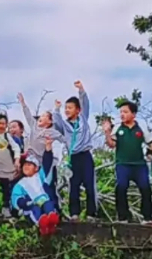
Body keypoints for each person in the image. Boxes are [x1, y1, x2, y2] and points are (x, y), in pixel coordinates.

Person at [103, 101, 152, 224]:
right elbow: (112, 144)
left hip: (139, 165)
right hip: (123, 164)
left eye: (125, 112)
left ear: (133, 114)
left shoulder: (141, 127)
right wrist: (107, 132)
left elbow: (150, 142)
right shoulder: (118, 128)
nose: (122, 114)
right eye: (121, 112)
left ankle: (147, 218)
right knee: (121, 187)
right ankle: (123, 217)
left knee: (146, 188)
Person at [53, 80, 97, 221]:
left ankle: (91, 214)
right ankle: (74, 213)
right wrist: (57, 109)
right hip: (73, 157)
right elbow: (56, 123)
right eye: (66, 108)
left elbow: (85, 103)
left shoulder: (83, 118)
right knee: (74, 186)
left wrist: (81, 90)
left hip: (85, 155)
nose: (67, 110)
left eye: (70, 108)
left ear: (78, 110)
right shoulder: (64, 125)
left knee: (90, 185)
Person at [17, 92, 64, 208]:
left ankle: (55, 208)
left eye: (44, 116)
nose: (41, 117)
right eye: (41, 116)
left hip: (45, 163)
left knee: (48, 185)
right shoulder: (34, 126)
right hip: (32, 161)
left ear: (49, 121)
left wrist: (57, 109)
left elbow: (64, 138)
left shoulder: (52, 132)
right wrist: (23, 103)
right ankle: (31, 207)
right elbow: (28, 115)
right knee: (30, 184)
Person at [11, 137, 59, 236]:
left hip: (44, 200)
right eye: (25, 165)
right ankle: (41, 224)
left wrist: (48, 148)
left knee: (48, 204)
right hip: (31, 204)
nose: (26, 166)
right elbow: (16, 197)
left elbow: (47, 164)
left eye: (29, 165)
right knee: (34, 210)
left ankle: (51, 220)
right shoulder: (20, 183)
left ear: (36, 168)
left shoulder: (41, 177)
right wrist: (24, 202)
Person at [0, 111, 23, 219]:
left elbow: (16, 148)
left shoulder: (7, 136)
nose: (1, 126)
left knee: (6, 189)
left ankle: (6, 208)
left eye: (4, 124)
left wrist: (17, 160)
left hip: (6, 168)